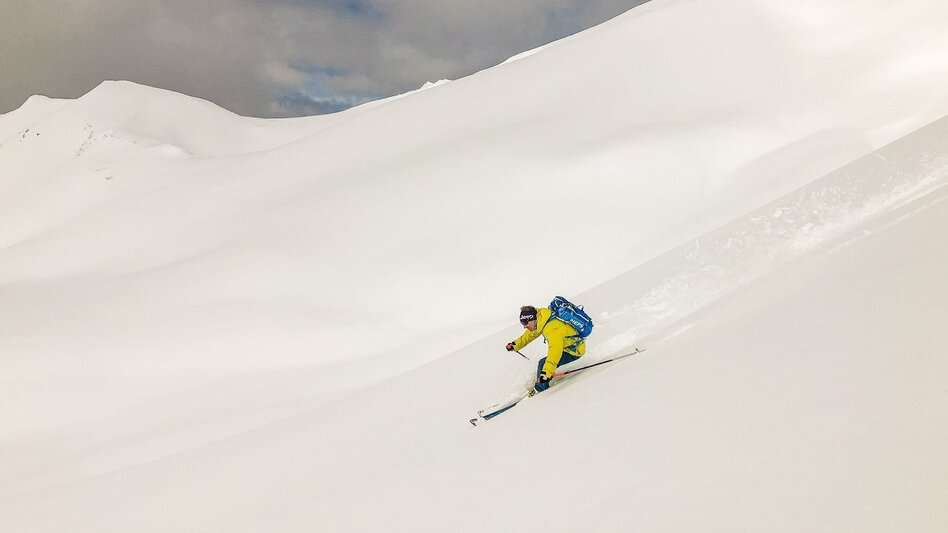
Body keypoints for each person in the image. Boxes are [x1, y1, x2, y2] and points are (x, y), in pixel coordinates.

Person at [506, 304, 586, 393]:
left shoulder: (552, 328)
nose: (524, 326)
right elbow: (530, 334)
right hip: (566, 347)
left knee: (542, 363)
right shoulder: (542, 320)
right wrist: (515, 344)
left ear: (532, 320)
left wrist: (546, 373)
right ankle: (541, 383)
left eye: (525, 323)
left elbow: (555, 351)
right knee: (543, 364)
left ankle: (540, 391)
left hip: (574, 350)